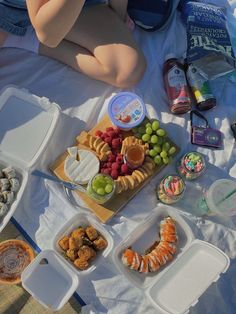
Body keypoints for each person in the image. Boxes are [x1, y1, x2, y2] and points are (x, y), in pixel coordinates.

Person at [0, 0, 146, 88]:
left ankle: (25, 38)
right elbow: (49, 35)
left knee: (127, 69)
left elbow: (48, 36)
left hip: (68, 8)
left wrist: (118, 14)